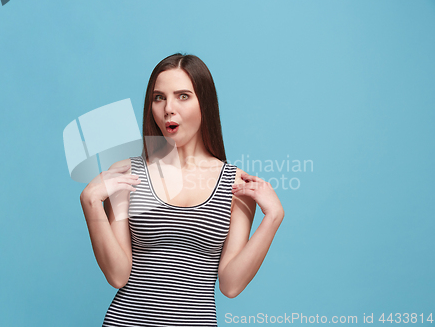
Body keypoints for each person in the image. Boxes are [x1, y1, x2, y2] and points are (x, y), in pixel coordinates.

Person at [80, 53, 284, 326]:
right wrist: (90, 202)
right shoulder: (128, 174)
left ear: (205, 104)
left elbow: (231, 285)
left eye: (183, 96)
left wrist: (273, 217)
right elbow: (117, 275)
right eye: (159, 97)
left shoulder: (235, 183)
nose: (168, 108)